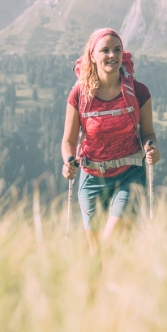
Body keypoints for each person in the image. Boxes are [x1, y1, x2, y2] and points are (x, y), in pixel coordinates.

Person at [62, 28, 160, 253]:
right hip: (91, 177)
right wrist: (68, 160)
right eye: (104, 50)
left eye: (117, 50)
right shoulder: (79, 95)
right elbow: (68, 139)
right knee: (97, 254)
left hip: (130, 174)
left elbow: (148, 133)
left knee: (111, 242)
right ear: (92, 56)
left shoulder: (138, 91)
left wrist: (151, 148)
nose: (111, 55)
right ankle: (102, 288)